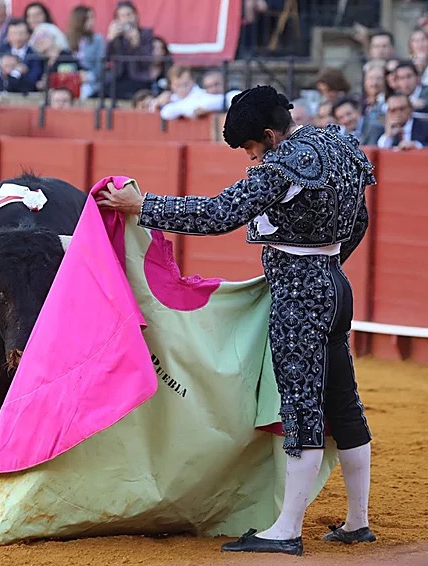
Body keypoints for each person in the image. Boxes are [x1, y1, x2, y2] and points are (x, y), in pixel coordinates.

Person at [96, 85, 376, 557]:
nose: (251, 159)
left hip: (300, 294)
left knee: (302, 405)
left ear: (269, 135)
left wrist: (143, 207)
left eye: (250, 148)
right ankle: (357, 521)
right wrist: (327, 261)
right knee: (342, 402)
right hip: (334, 284)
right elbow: (361, 219)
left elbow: (221, 213)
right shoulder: (340, 142)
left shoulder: (284, 165)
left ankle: (286, 529)